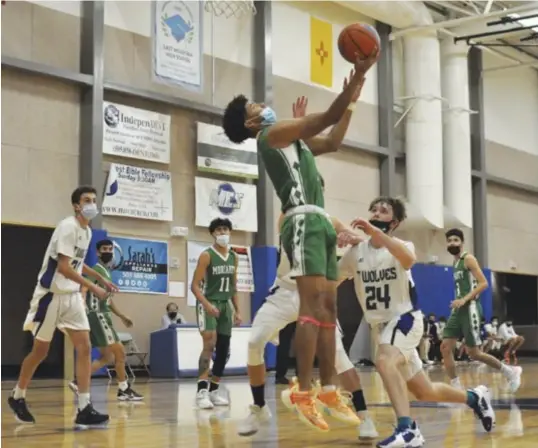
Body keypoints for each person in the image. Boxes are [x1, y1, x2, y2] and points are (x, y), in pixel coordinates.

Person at [223, 55, 377, 431]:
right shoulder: (268, 136)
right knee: (306, 315)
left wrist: (353, 99)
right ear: (251, 121)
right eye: (255, 105)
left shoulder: (297, 144)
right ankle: (300, 392)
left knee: (328, 312)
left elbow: (335, 139)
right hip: (301, 220)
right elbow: (323, 118)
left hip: (319, 222)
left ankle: (327, 390)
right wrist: (353, 80)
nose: (263, 104)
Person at [338, 196, 496, 448]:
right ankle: (475, 398)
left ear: (395, 222)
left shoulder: (402, 245)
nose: (377, 213)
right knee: (424, 391)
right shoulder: (356, 253)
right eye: (374, 209)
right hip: (381, 328)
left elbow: (408, 260)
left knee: (384, 360)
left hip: (405, 319)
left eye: (384, 210)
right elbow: (331, 279)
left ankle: (408, 428)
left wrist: (372, 233)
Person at [237, 211, 378, 440]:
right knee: (254, 342)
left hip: (315, 295)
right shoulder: (287, 216)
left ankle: (364, 416)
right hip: (285, 291)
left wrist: (351, 238)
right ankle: (259, 407)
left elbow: (362, 243)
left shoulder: (331, 220)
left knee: (340, 358)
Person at [8, 186, 115, 427]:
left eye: (94, 200)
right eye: (87, 200)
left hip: (72, 296)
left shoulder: (87, 231)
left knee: (85, 347)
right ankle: (18, 396)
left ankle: (84, 407)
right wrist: (95, 287)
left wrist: (101, 278)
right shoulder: (68, 227)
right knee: (40, 352)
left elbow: (76, 265)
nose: (92, 204)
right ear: (76, 205)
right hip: (51, 295)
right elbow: (64, 267)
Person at [441, 229, 522, 392]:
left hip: (470, 308)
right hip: (458, 310)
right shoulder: (455, 263)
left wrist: (464, 299)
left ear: (462, 243)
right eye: (449, 240)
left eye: (455, 240)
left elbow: (484, 283)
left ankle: (510, 371)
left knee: (474, 353)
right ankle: (456, 387)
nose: (452, 243)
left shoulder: (468, 259)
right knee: (445, 347)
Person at [69, 239, 143, 402]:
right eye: (104, 249)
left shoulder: (106, 272)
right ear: (98, 252)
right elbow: (86, 285)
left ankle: (77, 381)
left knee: (107, 357)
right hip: (98, 315)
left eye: (110, 248)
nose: (108, 251)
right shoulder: (97, 269)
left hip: (101, 314)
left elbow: (108, 300)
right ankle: (123, 390)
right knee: (120, 353)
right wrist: (81, 299)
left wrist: (122, 315)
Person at [191, 218, 242, 409]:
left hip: (226, 304)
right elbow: (194, 286)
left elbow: (234, 286)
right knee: (209, 343)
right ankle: (201, 391)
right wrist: (206, 305)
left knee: (223, 349)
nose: (222, 233)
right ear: (212, 233)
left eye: (225, 229)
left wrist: (238, 311)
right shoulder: (207, 255)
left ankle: (214, 390)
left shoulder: (234, 257)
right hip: (208, 302)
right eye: (219, 230)